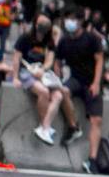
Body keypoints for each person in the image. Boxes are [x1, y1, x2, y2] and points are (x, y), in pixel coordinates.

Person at [54, 7, 106, 173]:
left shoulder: (91, 39)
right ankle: (73, 126)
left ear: (80, 21)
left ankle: (92, 160)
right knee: (62, 91)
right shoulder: (64, 40)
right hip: (75, 80)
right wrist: (57, 74)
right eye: (67, 19)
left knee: (96, 120)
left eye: (72, 19)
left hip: (92, 81)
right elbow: (57, 59)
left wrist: (97, 83)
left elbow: (99, 60)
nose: (69, 22)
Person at [12, 14, 68, 147]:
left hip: (42, 72)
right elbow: (16, 58)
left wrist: (42, 69)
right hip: (27, 71)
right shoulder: (25, 38)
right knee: (43, 92)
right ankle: (45, 127)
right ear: (35, 23)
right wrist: (15, 77)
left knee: (58, 96)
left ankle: (44, 128)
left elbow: (49, 60)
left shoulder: (49, 42)